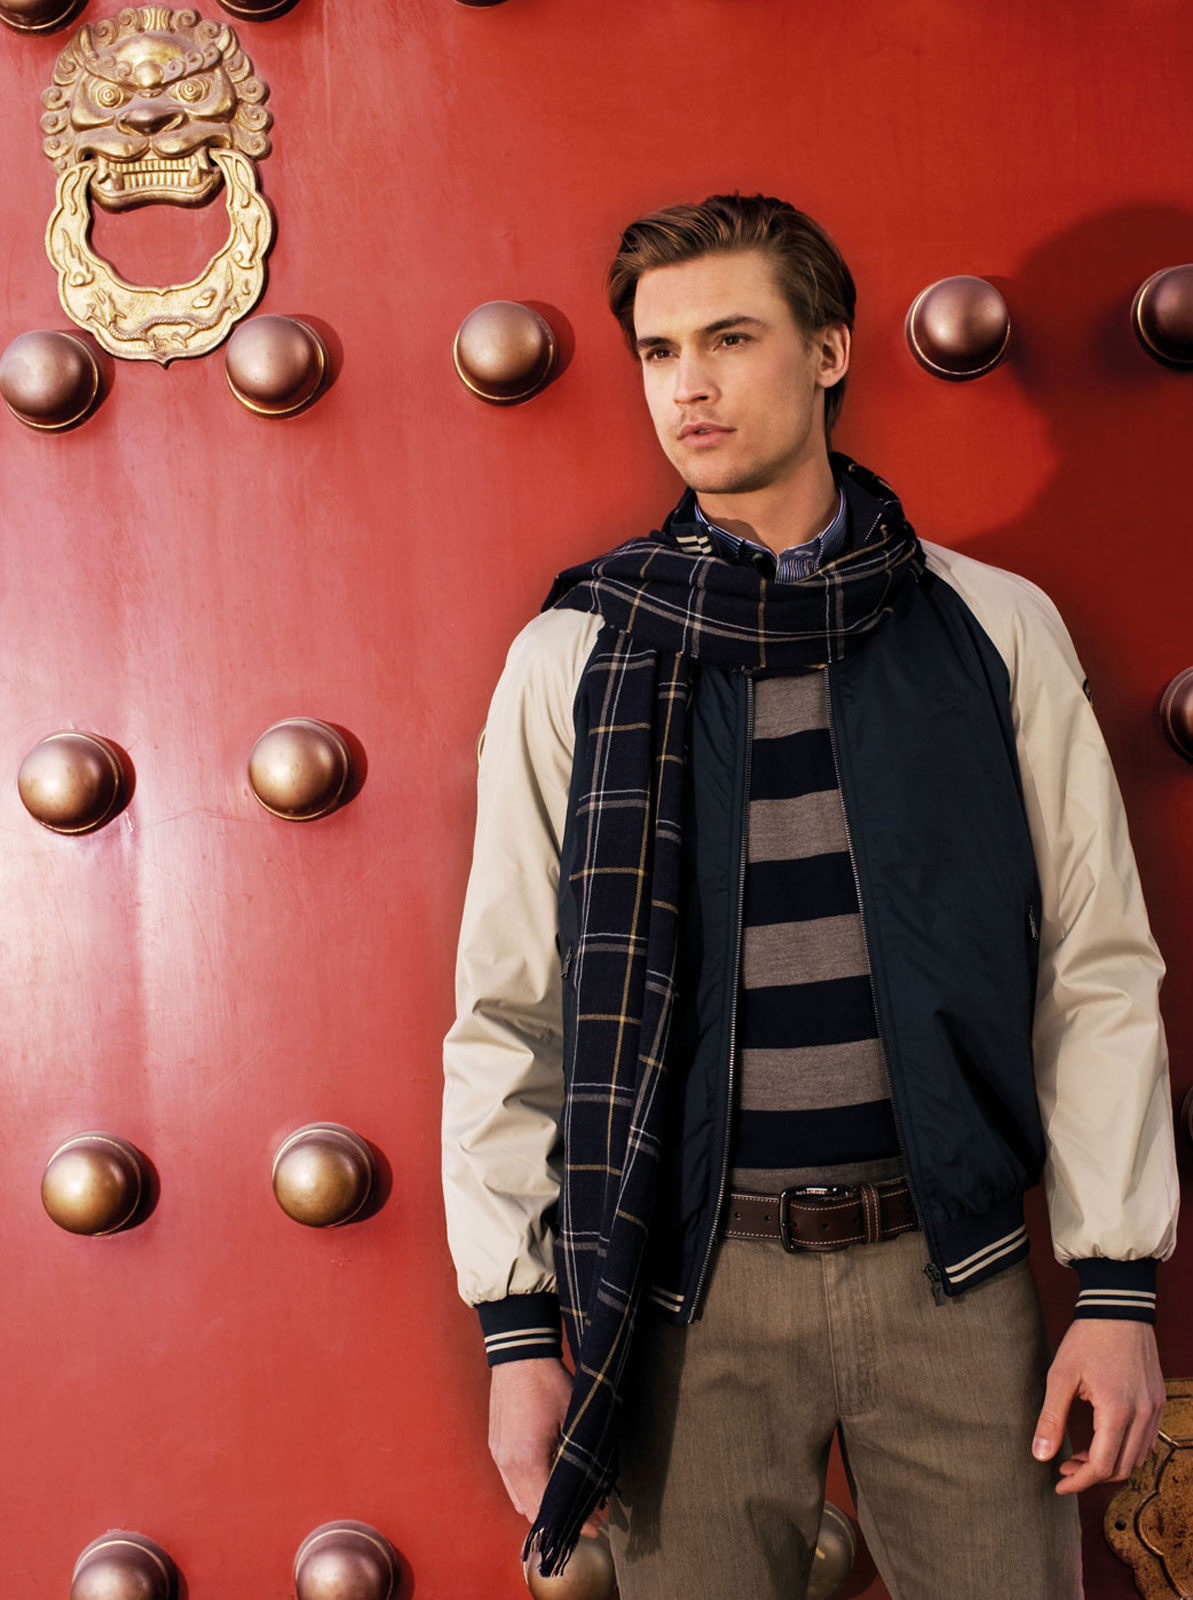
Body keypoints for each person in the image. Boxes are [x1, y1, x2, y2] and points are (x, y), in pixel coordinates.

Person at [441, 193, 1179, 1600]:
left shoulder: (990, 625)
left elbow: (1092, 961)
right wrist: (518, 1332)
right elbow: (511, 1010)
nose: (689, 386)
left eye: (730, 338)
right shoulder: (574, 656)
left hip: (954, 1275)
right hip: (685, 1296)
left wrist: (1116, 1288)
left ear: (829, 349)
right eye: (659, 351)